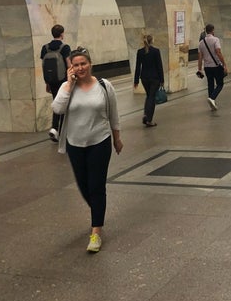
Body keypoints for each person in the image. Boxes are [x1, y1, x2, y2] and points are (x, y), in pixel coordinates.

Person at [52, 47, 122, 252]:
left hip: (100, 141)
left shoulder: (104, 86)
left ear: (90, 64)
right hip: (75, 144)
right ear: (71, 68)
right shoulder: (67, 87)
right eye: (76, 65)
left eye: (83, 63)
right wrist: (69, 84)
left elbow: (114, 114)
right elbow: (57, 109)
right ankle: (98, 210)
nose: (80, 68)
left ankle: (96, 232)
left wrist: (117, 138)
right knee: (84, 186)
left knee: (96, 186)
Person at [40, 24, 71, 141]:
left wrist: (47, 82)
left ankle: (54, 129)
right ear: (62, 34)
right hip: (63, 81)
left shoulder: (45, 48)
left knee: (56, 102)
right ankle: (60, 131)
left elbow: (44, 66)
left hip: (51, 81)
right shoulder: (65, 47)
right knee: (64, 105)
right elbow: (69, 65)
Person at [133, 34, 164, 127]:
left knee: (149, 96)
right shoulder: (156, 51)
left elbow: (138, 67)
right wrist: (162, 80)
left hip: (144, 78)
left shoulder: (140, 52)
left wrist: (136, 81)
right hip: (154, 78)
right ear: (152, 41)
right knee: (151, 97)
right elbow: (159, 67)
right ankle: (148, 119)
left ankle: (146, 114)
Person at [197, 24, 228, 110]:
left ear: (206, 31)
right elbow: (218, 52)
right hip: (216, 66)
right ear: (213, 30)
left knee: (210, 84)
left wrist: (199, 69)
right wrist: (224, 64)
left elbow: (200, 57)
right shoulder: (215, 40)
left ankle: (212, 103)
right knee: (220, 84)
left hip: (207, 67)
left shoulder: (201, 43)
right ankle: (212, 98)